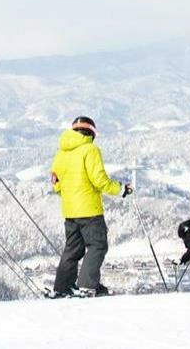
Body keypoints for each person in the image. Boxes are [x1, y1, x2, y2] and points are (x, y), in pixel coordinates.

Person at [49, 116, 133, 298]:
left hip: (70, 211)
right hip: (89, 210)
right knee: (97, 245)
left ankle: (62, 287)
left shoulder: (61, 153)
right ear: (91, 133)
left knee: (73, 249)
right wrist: (121, 190)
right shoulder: (90, 150)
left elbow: (56, 184)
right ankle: (87, 285)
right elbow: (99, 180)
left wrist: (71, 196)